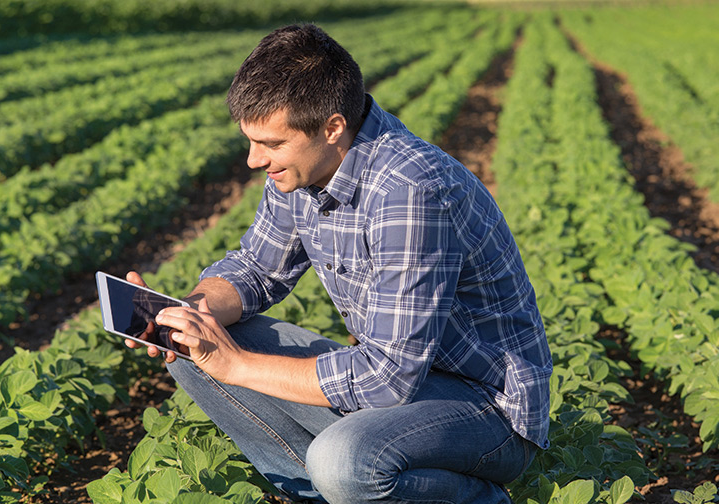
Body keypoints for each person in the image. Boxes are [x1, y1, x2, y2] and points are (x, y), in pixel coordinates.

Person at [124, 23, 552, 504]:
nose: (253, 160)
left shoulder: (409, 192)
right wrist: (187, 311)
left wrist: (236, 365)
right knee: (188, 344)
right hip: (404, 383)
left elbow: (387, 378)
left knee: (343, 460)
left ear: (332, 128)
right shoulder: (304, 165)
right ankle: (323, 497)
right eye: (251, 140)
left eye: (271, 144)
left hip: (483, 408)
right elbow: (258, 269)